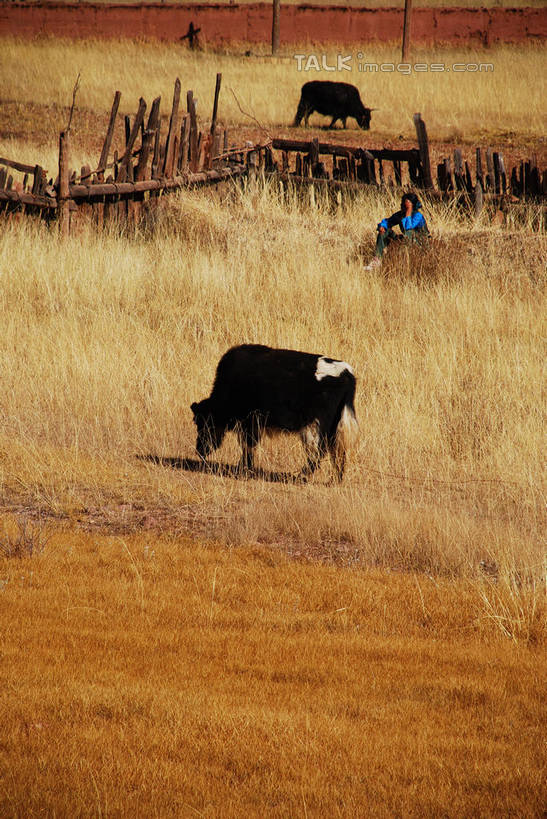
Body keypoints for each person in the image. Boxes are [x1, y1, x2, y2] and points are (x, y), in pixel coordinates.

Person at [364, 192, 429, 270]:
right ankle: (377, 259)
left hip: (419, 242)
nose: (402, 205)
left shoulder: (418, 216)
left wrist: (408, 213)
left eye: (405, 204)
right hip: (406, 240)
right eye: (402, 203)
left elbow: (408, 227)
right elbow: (388, 221)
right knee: (385, 231)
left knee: (409, 232)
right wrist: (382, 226)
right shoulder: (400, 214)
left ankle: (402, 261)